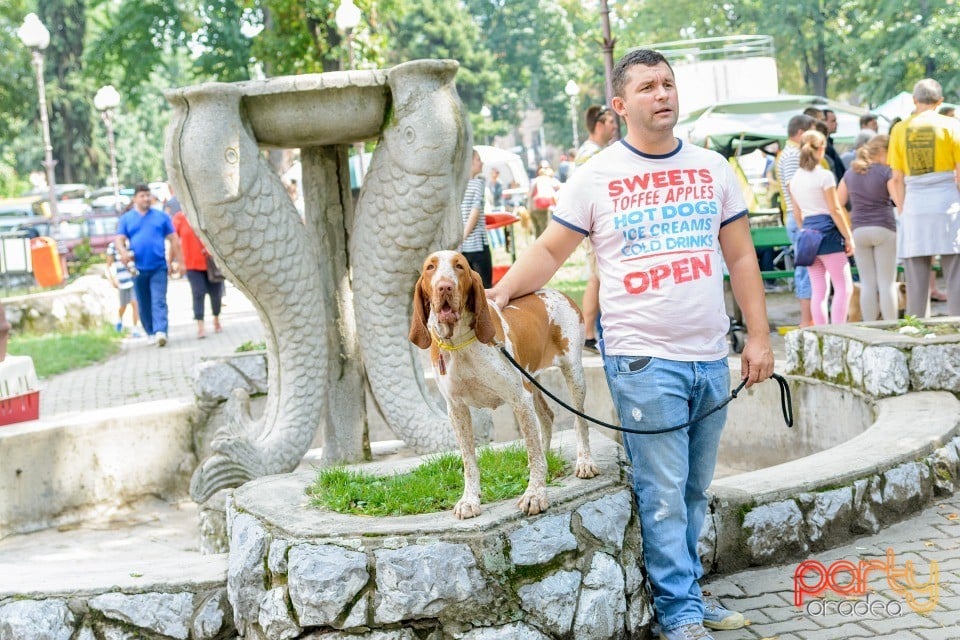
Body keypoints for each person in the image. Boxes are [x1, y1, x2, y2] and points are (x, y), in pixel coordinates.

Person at [488, 48, 773, 640]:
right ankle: (680, 616)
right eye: (647, 86)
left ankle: (688, 592)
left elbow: (742, 256)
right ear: (620, 106)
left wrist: (760, 339)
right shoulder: (594, 177)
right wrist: (497, 299)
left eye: (668, 83)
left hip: (709, 356)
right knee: (663, 493)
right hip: (643, 361)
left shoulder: (712, 168)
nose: (662, 93)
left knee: (694, 489)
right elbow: (546, 253)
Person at [888, 78, 960, 318]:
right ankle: (957, 323)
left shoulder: (899, 130)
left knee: (916, 271)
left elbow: (896, 179)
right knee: (955, 270)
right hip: (947, 202)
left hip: (915, 205)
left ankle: (916, 323)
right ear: (939, 101)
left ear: (914, 100)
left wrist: (902, 209)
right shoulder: (952, 125)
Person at [788, 129, 855, 325]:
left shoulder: (794, 180)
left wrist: (805, 231)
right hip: (828, 234)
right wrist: (848, 236)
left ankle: (821, 332)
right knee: (843, 287)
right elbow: (835, 208)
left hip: (808, 234)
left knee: (819, 289)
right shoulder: (825, 176)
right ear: (822, 149)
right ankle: (839, 330)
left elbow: (797, 214)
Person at [837, 135, 899, 320]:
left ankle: (870, 326)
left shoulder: (850, 173)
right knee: (887, 282)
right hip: (884, 227)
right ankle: (891, 324)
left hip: (859, 230)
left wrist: (849, 224)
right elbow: (896, 199)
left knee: (867, 282)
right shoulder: (886, 172)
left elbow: (839, 202)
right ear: (882, 152)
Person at [116, 184, 185, 347]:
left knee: (158, 299)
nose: (146, 198)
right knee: (143, 301)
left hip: (159, 266)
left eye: (148, 195)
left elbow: (174, 239)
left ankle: (161, 330)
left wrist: (180, 263)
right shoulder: (127, 218)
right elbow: (119, 239)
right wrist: (123, 252)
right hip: (137, 269)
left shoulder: (161, 217)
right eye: (142, 196)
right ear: (135, 199)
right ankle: (151, 332)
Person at [576, 104, 619, 353]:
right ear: (599, 124)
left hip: (595, 223)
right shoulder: (590, 155)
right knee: (598, 278)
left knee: (597, 277)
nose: (615, 126)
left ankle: (590, 332)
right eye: (611, 122)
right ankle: (589, 333)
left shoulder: (596, 152)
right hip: (594, 224)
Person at [777, 114, 817, 327]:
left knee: (807, 268)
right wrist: (803, 223)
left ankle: (810, 318)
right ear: (801, 132)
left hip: (799, 217)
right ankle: (806, 320)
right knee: (806, 269)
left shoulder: (788, 153)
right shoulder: (793, 155)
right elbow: (795, 189)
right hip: (801, 217)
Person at [172, 208, 224, 339]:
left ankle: (216, 318)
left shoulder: (209, 213)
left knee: (216, 295)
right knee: (198, 293)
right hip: (192, 264)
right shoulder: (180, 218)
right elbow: (174, 241)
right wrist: (174, 261)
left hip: (212, 264)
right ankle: (200, 326)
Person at [459, 149, 492, 287]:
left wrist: (459, 241)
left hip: (460, 249)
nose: (482, 163)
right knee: (484, 290)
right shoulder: (478, 183)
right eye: (478, 159)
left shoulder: (457, 186)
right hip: (477, 246)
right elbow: (475, 212)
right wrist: (463, 237)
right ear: (469, 162)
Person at [104, 242, 142, 336]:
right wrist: (112, 279)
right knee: (123, 305)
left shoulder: (132, 243)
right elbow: (108, 265)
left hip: (133, 279)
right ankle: (119, 320)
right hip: (122, 281)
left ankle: (135, 328)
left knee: (135, 303)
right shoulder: (113, 246)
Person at [527, 163, 561, 238]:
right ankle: (542, 248)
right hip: (542, 208)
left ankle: (537, 248)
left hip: (532, 209)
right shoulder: (546, 180)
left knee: (537, 231)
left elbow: (529, 195)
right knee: (544, 231)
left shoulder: (534, 181)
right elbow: (553, 194)